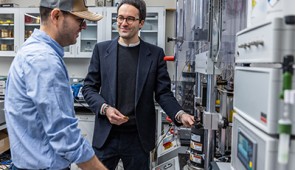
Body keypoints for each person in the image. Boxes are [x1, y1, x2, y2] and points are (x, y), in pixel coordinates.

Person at [82, 0, 195, 169]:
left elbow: (163, 93)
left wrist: (180, 114)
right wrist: (105, 108)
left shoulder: (155, 54)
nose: (123, 23)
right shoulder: (101, 50)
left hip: (138, 138)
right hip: (106, 136)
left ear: (141, 22)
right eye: (120, 18)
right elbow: (89, 88)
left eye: (130, 19)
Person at [4, 0, 107, 169]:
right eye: (79, 20)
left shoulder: (33, 50)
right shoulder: (44, 60)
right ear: (56, 16)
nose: (84, 26)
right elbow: (65, 136)